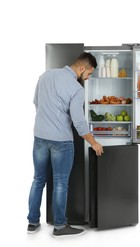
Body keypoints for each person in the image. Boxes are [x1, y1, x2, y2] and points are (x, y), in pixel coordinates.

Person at [27, 52, 104, 236]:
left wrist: (48, 119)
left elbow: (36, 102)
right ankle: (60, 227)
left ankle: (32, 223)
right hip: (61, 141)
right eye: (89, 74)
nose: (88, 77)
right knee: (60, 183)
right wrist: (93, 143)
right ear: (83, 68)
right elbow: (79, 122)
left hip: (39, 137)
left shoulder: (45, 75)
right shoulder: (77, 89)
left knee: (38, 180)